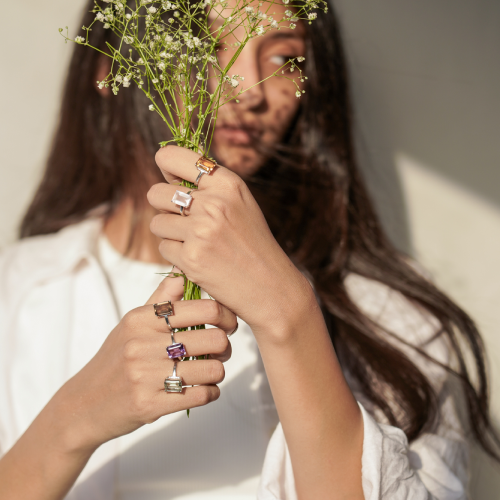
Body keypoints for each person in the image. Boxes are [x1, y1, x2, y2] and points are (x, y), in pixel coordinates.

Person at [0, 0, 498, 498]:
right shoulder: (16, 289)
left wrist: (289, 314)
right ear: (113, 67)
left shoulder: (392, 319)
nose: (248, 89)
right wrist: (71, 422)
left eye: (283, 60)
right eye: (211, 46)